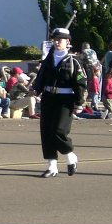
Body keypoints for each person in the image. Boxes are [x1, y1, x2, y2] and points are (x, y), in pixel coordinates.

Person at [31, 28, 86, 177]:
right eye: (55, 40)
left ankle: (70, 156)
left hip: (65, 99)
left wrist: (79, 102)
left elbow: (80, 83)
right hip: (49, 97)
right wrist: (36, 89)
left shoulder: (74, 61)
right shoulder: (49, 58)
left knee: (59, 131)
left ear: (67, 42)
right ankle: (52, 166)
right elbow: (41, 76)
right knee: (47, 131)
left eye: (60, 40)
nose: (56, 42)